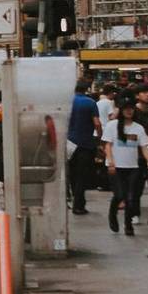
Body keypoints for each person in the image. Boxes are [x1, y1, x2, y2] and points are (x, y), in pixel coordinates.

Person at [102, 96, 148, 236]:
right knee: (120, 195)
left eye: (131, 108)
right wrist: (111, 162)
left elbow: (144, 147)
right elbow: (107, 145)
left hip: (132, 167)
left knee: (130, 197)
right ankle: (112, 214)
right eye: (126, 108)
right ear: (121, 110)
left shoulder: (138, 128)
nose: (129, 111)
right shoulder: (112, 125)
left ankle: (128, 225)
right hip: (115, 167)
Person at [67, 81, 102, 215]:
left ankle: (73, 199)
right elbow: (97, 123)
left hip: (69, 143)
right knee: (82, 175)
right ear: (86, 89)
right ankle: (79, 205)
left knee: (72, 174)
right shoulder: (90, 102)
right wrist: (99, 139)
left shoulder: (67, 102)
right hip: (85, 144)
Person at [134, 83, 148, 228]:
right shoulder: (131, 112)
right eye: (144, 92)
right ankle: (134, 213)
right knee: (136, 186)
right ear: (137, 95)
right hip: (135, 155)